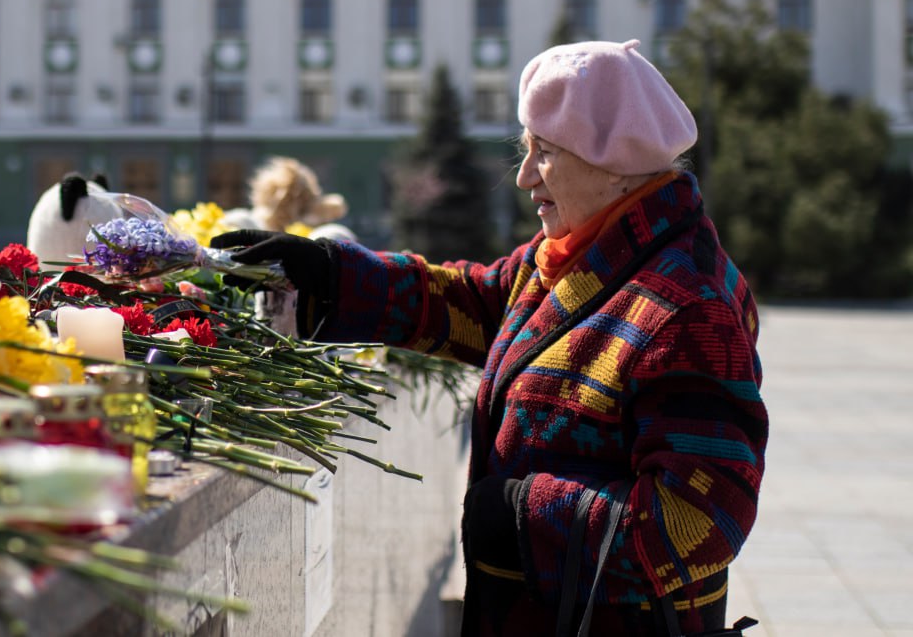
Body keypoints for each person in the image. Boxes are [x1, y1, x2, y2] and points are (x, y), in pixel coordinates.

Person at [212, 39, 767, 637]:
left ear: (614, 164)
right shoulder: (577, 255)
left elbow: (702, 522)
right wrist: (333, 273)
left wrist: (524, 518)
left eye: (545, 153)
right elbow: (479, 301)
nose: (525, 175)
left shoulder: (686, 308)